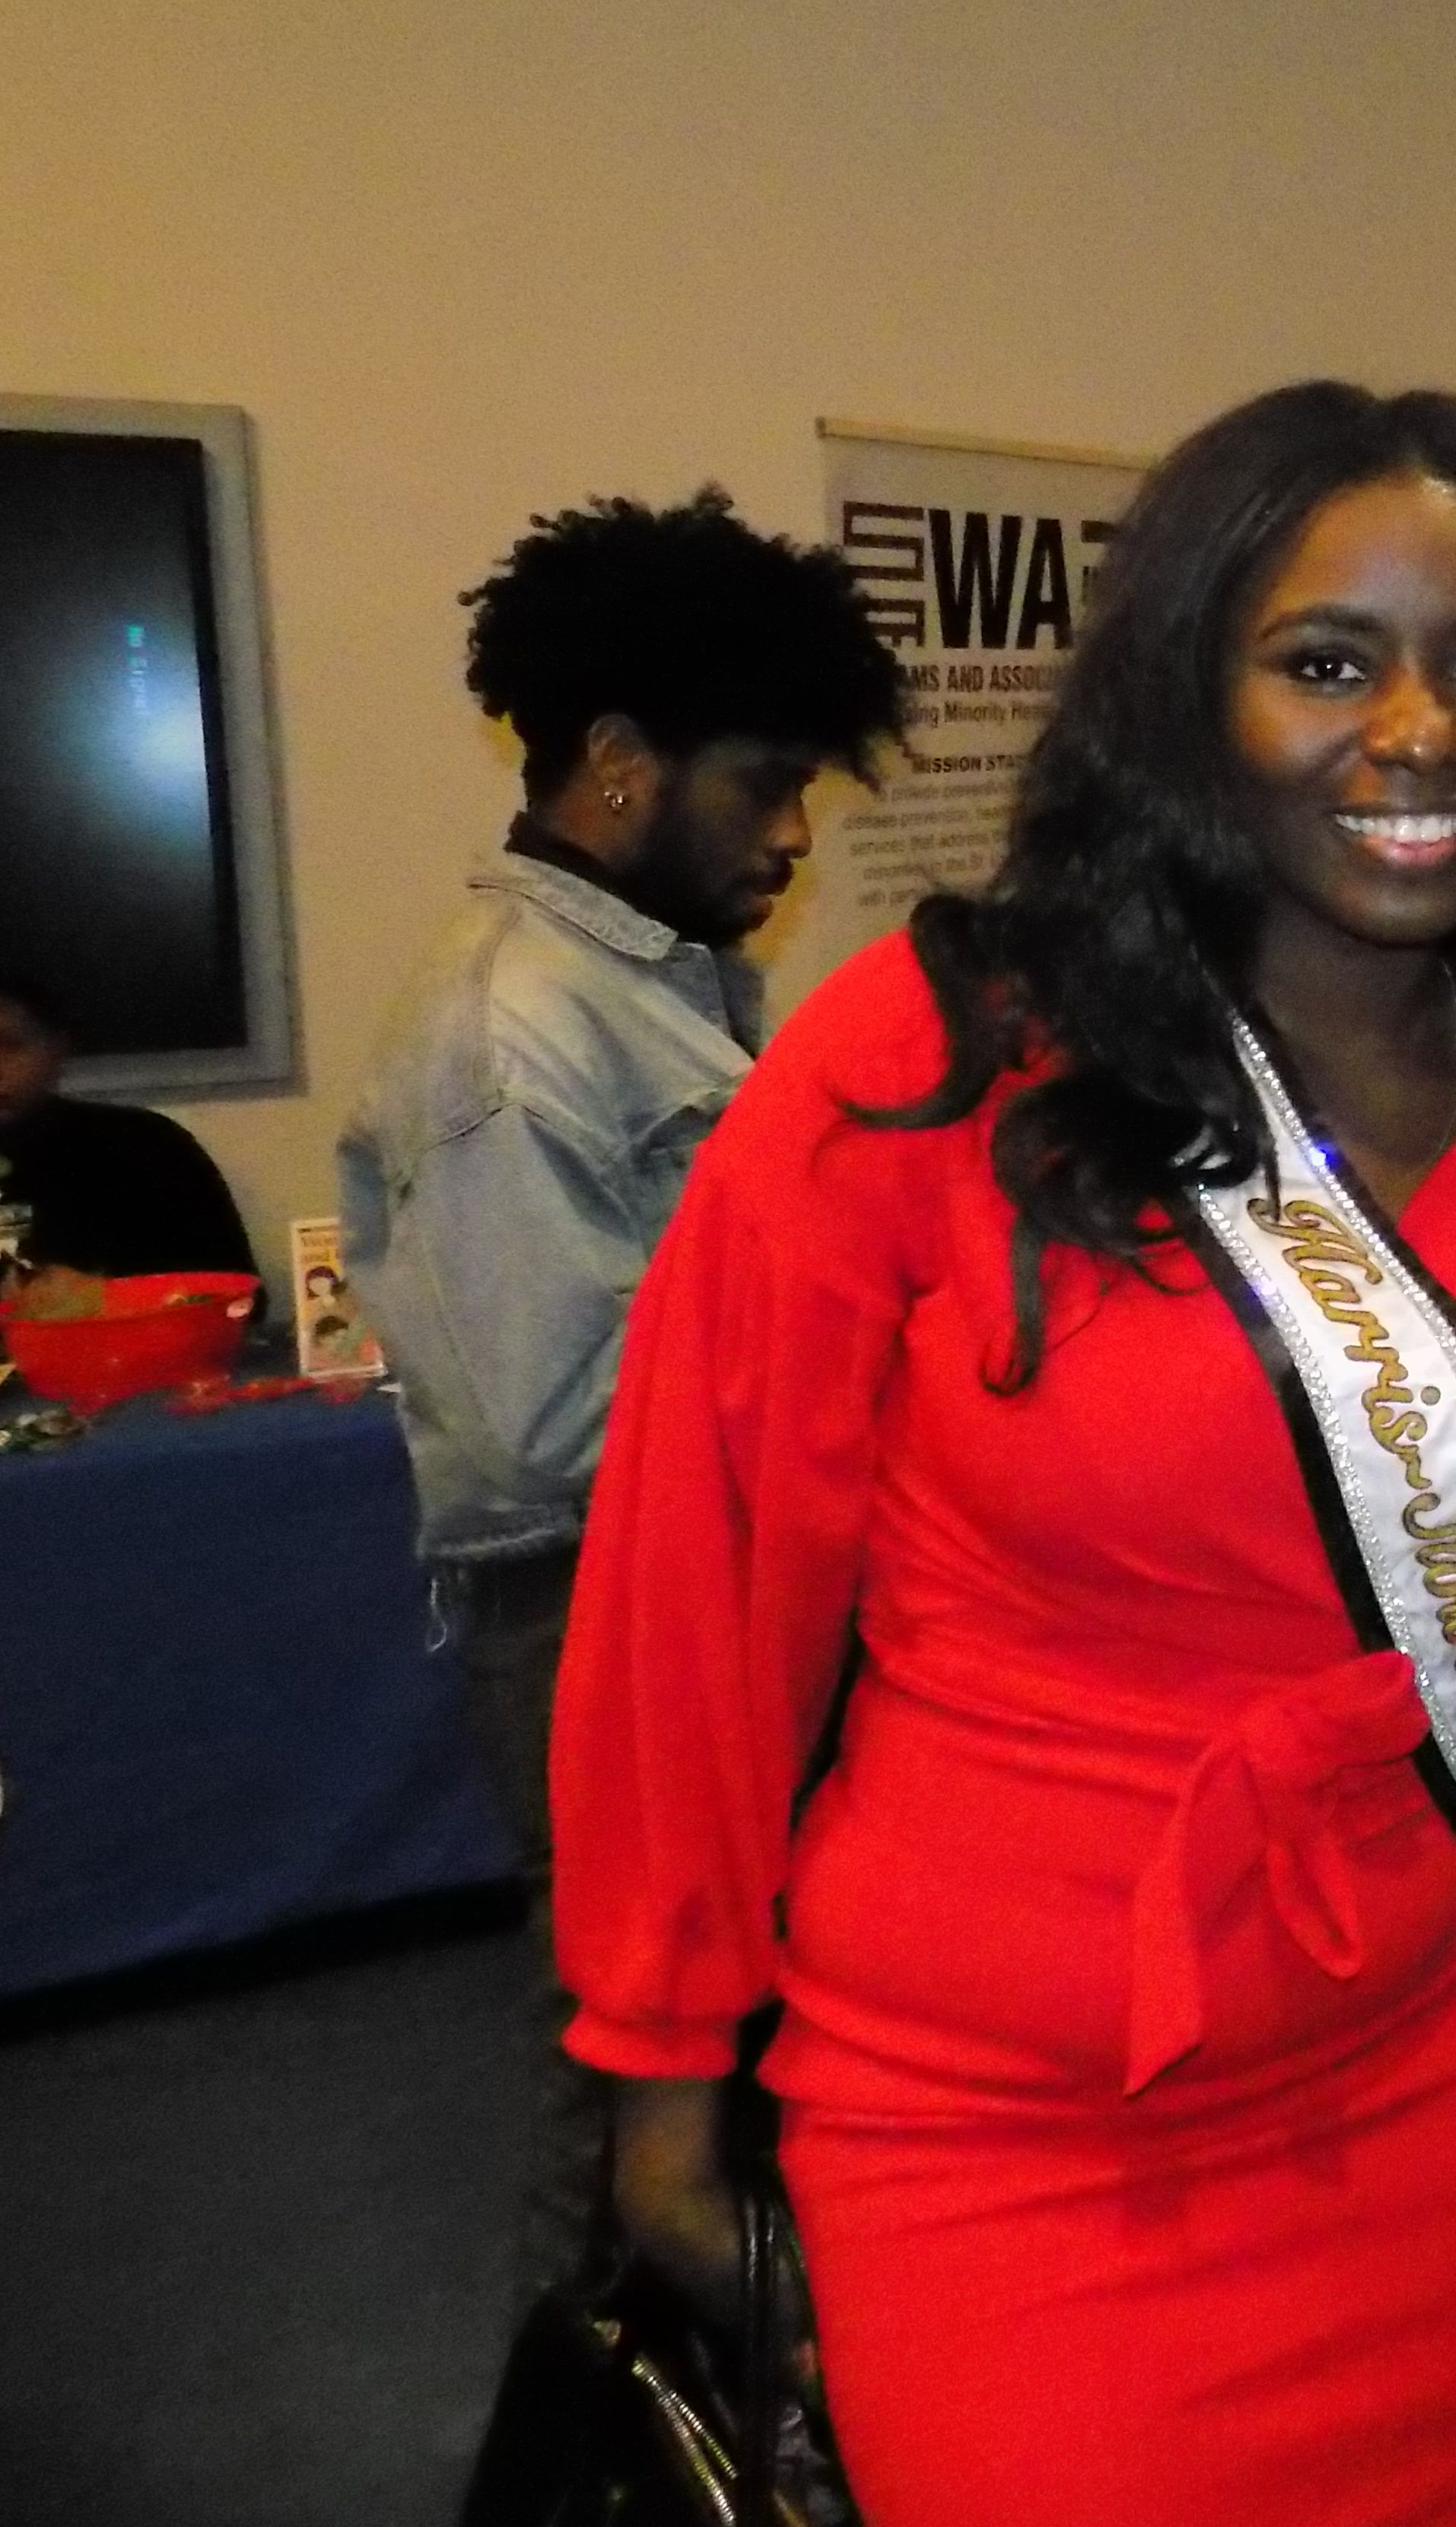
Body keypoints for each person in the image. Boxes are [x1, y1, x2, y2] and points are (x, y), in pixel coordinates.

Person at [553, 383, 1456, 2524]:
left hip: (1444, 2091)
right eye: (1326, 662)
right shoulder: (936, 1056)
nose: (1419, 732)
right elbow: (697, 1594)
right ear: (1188, 691)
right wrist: (661, 2082)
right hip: (1005, 2131)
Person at [335, 488, 901, 2299]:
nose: (795, 834)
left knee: (719, 2065)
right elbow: (554, 1419)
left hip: (689, 1588)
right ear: (618, 765)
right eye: (767, 785)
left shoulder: (650, 984)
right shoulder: (514, 1027)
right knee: (633, 2085)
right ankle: (582, 2432)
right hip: (599, 1609)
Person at [0, 966, 257, 1291]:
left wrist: (100, 1298)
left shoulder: (146, 1147)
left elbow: (237, 1295)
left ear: (57, 1049)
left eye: (11, 1046)